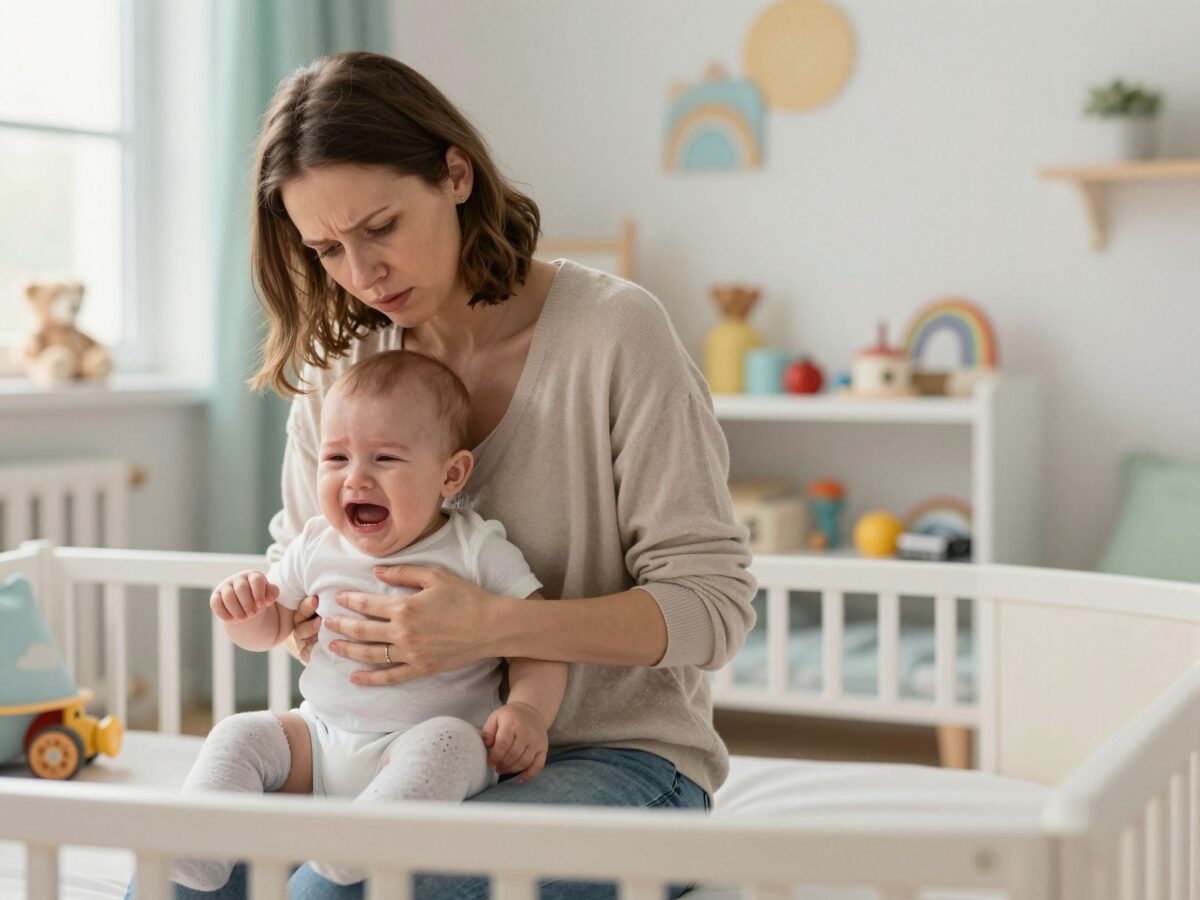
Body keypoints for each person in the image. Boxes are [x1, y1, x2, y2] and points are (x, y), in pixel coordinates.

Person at [186, 49, 756, 900]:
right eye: (327, 248)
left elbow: (713, 610)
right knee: (182, 873)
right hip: (385, 755)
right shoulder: (346, 368)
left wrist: (489, 626)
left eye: (379, 227)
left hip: (616, 760)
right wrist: (298, 622)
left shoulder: (613, 334)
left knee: (332, 893)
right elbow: (305, 586)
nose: (361, 273)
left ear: (455, 174)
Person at [170, 350, 563, 890]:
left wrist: (527, 710)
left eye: (385, 459)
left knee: (451, 742)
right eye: (336, 458)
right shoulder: (316, 544)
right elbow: (275, 630)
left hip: (422, 746)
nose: (356, 479)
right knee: (243, 731)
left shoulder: (475, 549)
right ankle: (198, 845)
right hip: (322, 735)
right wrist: (246, 613)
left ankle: (362, 845)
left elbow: (535, 641)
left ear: (451, 474)